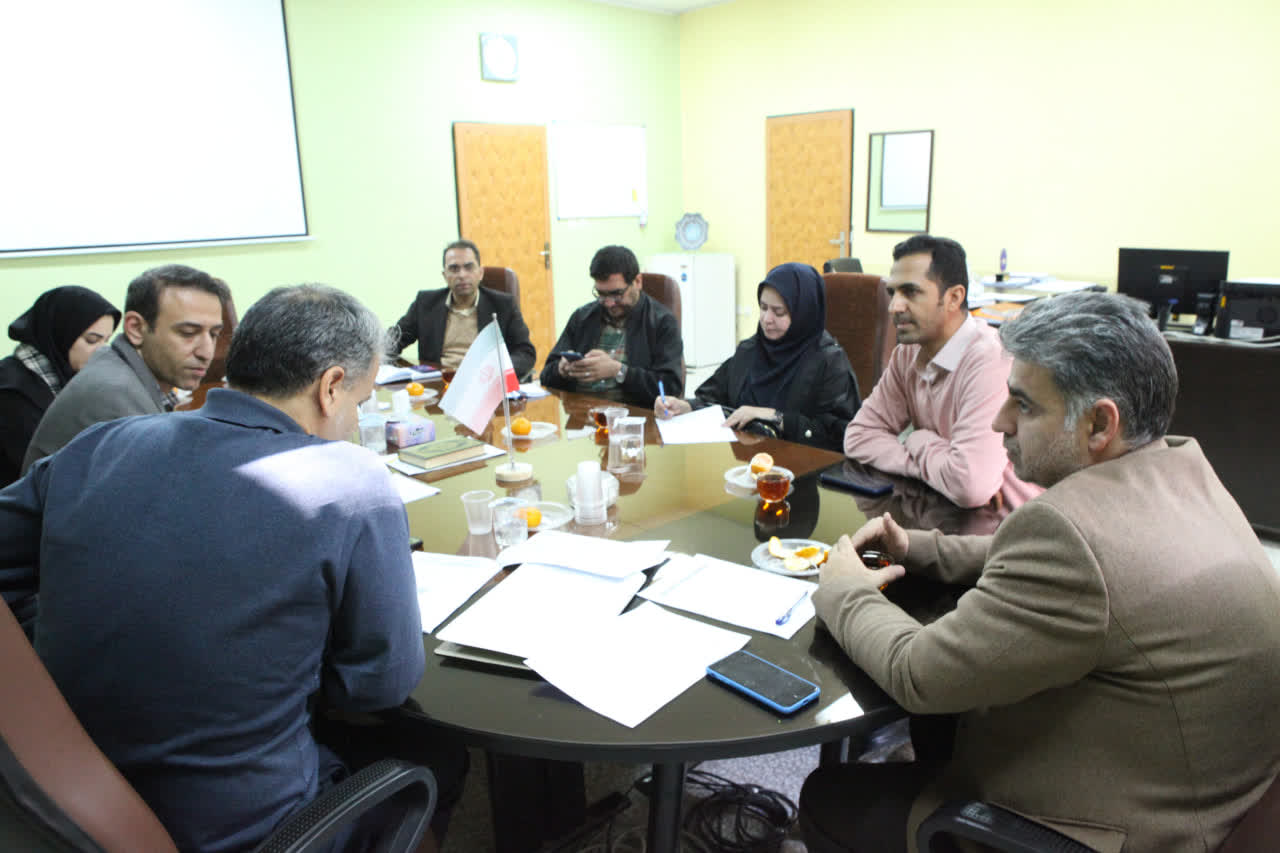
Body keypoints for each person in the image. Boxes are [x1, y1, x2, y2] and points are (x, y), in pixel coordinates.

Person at [800, 292, 1280, 853]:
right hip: (1204, 791)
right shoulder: (1177, 468)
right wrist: (916, 548)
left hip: (1125, 828)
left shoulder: (1069, 537)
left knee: (829, 796)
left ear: (1099, 423)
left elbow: (917, 675)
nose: (999, 420)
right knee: (940, 726)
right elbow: (1061, 563)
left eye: (1024, 405)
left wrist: (846, 591)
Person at [0, 284, 465, 853]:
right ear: (331, 387)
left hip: (72, 789)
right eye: (360, 402)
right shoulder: (350, 483)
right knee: (440, 754)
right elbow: (379, 686)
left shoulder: (101, 444)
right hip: (247, 829)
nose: (354, 419)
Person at [843, 235, 1040, 509]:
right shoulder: (907, 353)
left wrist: (917, 439)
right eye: (892, 292)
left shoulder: (990, 359)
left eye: (910, 292)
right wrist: (931, 466)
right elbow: (857, 437)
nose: (894, 307)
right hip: (941, 508)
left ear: (954, 298)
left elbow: (970, 486)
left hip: (1003, 519)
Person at [21, 264, 229, 472]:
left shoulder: (117, 366)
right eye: (188, 333)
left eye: (214, 334)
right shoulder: (114, 397)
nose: (206, 352)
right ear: (136, 328)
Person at [654, 262, 859, 451]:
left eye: (779, 312)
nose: (767, 319)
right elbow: (713, 396)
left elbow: (841, 435)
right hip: (745, 467)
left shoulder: (829, 362)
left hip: (802, 468)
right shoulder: (751, 350)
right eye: (763, 307)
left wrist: (775, 417)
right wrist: (686, 406)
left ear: (803, 313)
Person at [0, 286, 120, 488]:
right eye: (92, 340)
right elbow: (43, 468)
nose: (102, 351)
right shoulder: (10, 390)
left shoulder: (71, 379)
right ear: (61, 334)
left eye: (106, 341)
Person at [540, 245, 684, 407]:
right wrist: (561, 370)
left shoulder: (662, 321)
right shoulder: (582, 317)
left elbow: (670, 387)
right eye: (601, 294)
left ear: (637, 282)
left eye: (616, 294)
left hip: (632, 415)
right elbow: (545, 376)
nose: (609, 303)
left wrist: (619, 371)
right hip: (581, 412)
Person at [392, 239, 537, 379]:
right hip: (439, 383)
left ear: (480, 273)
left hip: (485, 384)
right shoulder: (426, 303)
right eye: (454, 269)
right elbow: (394, 340)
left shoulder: (503, 305)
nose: (462, 275)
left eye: (469, 267)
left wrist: (498, 371)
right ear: (445, 275)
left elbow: (525, 352)